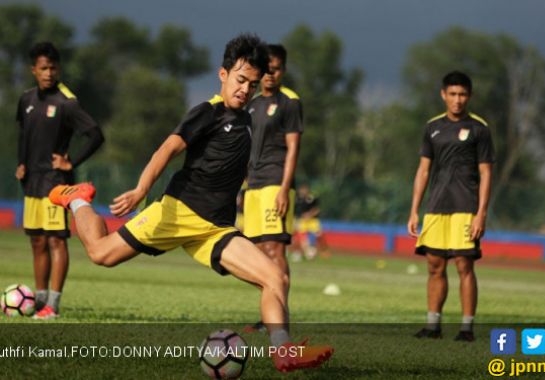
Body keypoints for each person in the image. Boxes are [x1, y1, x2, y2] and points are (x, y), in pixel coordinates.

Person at [48, 34, 332, 372]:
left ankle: (283, 352)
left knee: (275, 277)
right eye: (240, 80)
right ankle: (78, 201)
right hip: (178, 212)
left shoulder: (250, 118)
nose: (245, 89)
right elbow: (167, 150)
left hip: (216, 228)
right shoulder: (207, 113)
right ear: (223, 74)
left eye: (252, 84)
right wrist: (141, 190)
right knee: (100, 253)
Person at [15, 41, 104, 320]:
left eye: (53, 68)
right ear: (34, 70)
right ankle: (38, 301)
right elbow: (23, 133)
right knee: (37, 242)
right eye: (43, 68)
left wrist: (71, 162)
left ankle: (53, 304)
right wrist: (21, 162)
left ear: (59, 69)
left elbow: (95, 134)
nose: (49, 73)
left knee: (56, 242)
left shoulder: (67, 103)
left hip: (56, 183)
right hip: (32, 182)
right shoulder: (26, 100)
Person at [407, 71, 494, 342]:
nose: (458, 100)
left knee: (464, 265)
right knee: (434, 265)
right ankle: (433, 325)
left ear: (469, 96)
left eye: (463, 95)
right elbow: (423, 170)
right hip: (436, 206)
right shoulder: (432, 127)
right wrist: (414, 210)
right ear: (443, 95)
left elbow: (486, 173)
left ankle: (466, 328)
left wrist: (481, 213)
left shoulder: (480, 128)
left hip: (466, 206)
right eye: (453, 94)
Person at [243, 44, 303, 331]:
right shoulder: (252, 103)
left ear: (283, 70)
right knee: (256, 252)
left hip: (275, 182)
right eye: (265, 70)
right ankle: (270, 313)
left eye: (275, 69)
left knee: (274, 250)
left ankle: (281, 320)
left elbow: (293, 148)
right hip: (253, 186)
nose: (269, 75)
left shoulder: (290, 102)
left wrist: (283, 188)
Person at [290, 184, 330, 260]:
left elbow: (317, 209)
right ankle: (305, 251)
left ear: (307, 190)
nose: (302, 192)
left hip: (313, 220)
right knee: (301, 237)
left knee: (319, 235)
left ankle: (324, 250)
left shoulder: (312, 197)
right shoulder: (298, 199)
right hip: (303, 220)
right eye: (301, 190)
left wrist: (309, 214)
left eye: (304, 190)